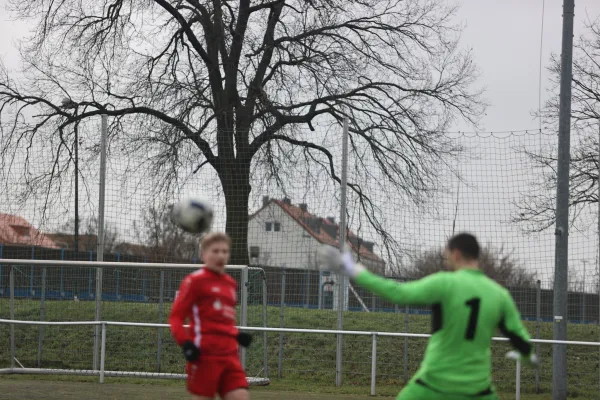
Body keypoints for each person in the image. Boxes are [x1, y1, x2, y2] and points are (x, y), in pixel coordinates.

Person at [318, 232, 538, 400]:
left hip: (433, 386)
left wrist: (354, 270)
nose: (445, 260)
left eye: (446, 256)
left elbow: (398, 293)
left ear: (456, 254)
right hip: (478, 391)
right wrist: (528, 357)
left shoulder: (445, 283)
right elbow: (518, 337)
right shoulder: (499, 295)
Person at [169, 232, 252, 400]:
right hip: (205, 355)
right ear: (204, 255)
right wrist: (185, 343)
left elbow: (223, 320)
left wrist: (237, 334)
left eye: (224, 251)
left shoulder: (230, 284)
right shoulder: (194, 281)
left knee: (241, 396)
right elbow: (175, 318)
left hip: (229, 355)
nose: (221, 255)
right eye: (215, 251)